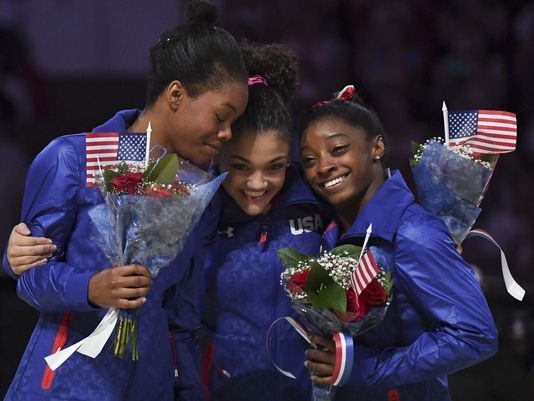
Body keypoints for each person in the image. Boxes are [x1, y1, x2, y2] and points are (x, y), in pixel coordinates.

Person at [1, 1, 248, 400]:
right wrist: (90, 287)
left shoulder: (199, 193)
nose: (226, 134)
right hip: (66, 382)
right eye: (221, 117)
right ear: (176, 94)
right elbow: (28, 276)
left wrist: (186, 389)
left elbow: (180, 317)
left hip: (150, 385)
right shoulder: (71, 158)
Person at [298, 87, 498, 400]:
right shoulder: (329, 233)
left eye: (337, 150)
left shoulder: (414, 233)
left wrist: (363, 370)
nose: (323, 167)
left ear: (377, 146)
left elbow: (475, 335)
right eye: (309, 159)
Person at [190, 41, 331, 401]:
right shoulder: (192, 213)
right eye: (240, 167)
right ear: (218, 153)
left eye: (274, 167)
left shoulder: (323, 202)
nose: (257, 184)